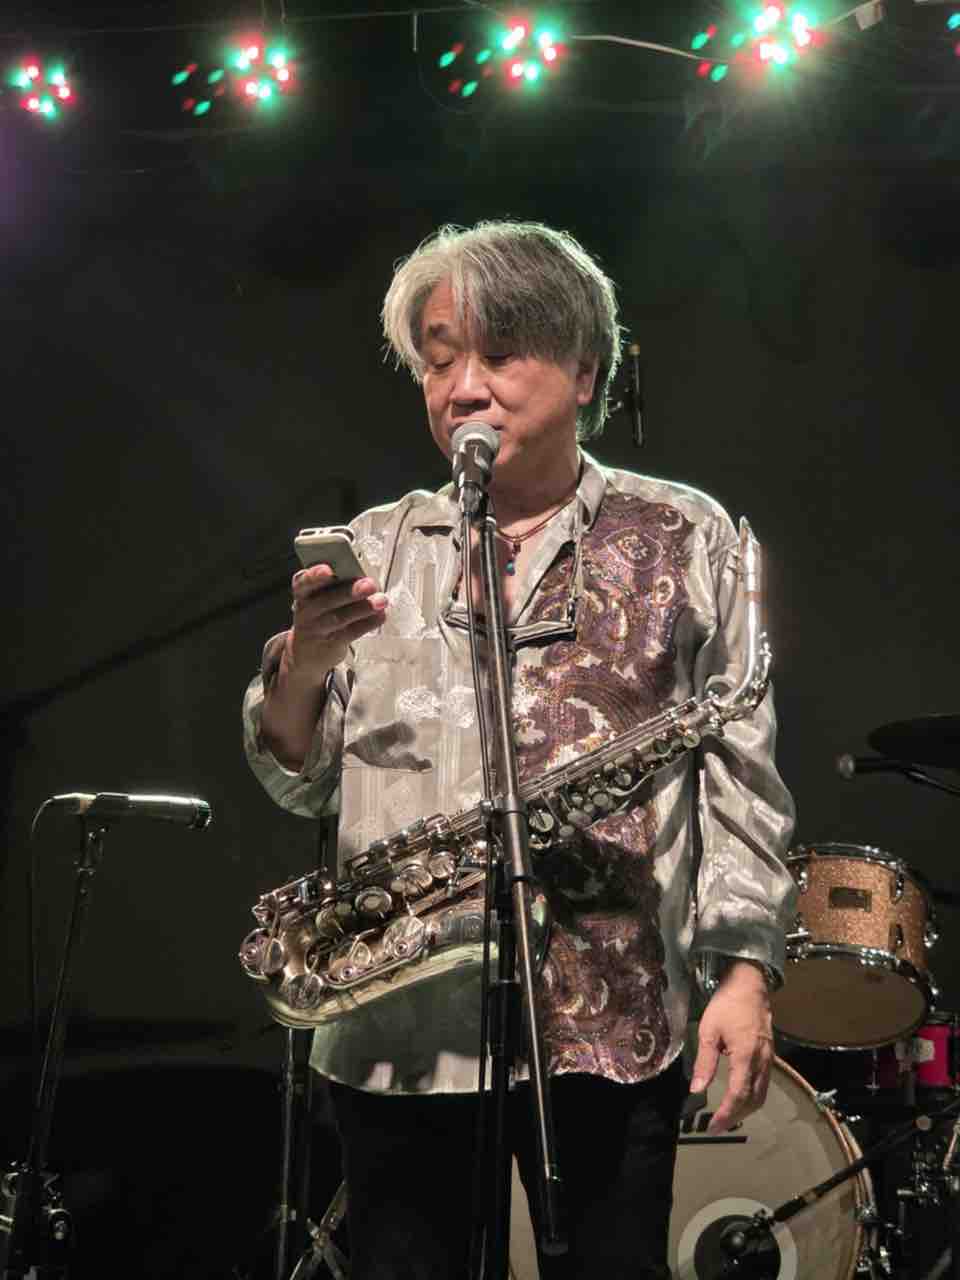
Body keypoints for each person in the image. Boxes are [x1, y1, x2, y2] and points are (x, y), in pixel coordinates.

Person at [243, 220, 797, 1280]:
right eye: (438, 360)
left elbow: (741, 773)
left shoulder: (686, 535)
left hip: (614, 1018)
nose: (463, 389)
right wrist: (303, 667)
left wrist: (742, 972)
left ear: (585, 370)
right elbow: (294, 778)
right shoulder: (375, 547)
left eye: (500, 355)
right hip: (400, 1030)